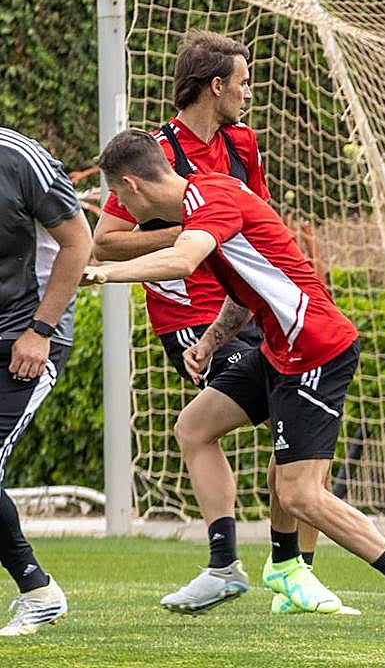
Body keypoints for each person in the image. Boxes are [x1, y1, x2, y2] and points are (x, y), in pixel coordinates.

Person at [85, 129, 385, 631]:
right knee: (195, 428)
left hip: (314, 348)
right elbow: (245, 291)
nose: (120, 209)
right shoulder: (207, 198)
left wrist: (103, 272)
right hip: (278, 350)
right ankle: (226, 567)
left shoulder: (208, 199)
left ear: (132, 185)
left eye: (118, 198)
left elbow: (181, 260)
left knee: (300, 493)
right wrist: (210, 342)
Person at [91, 31, 335, 616]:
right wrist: (195, 233)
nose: (250, 93)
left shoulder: (243, 144)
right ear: (216, 86)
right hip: (190, 318)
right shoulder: (153, 157)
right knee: (281, 420)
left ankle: (285, 573)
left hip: (249, 307)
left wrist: (227, 233)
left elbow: (254, 219)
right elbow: (106, 242)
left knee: (298, 427)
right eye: (244, 82)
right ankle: (263, 568)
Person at [0, 127, 91, 635]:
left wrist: (40, 330)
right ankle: (37, 591)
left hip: (28, 341)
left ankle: (39, 593)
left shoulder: (19, 159)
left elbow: (79, 242)